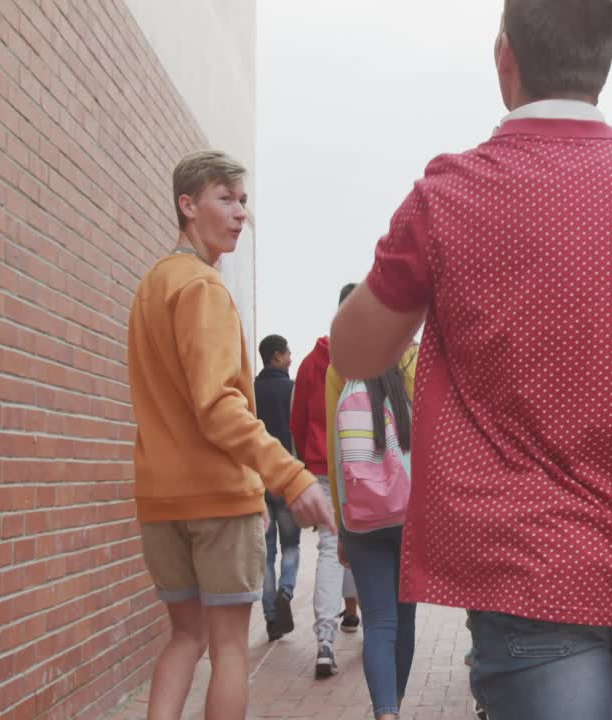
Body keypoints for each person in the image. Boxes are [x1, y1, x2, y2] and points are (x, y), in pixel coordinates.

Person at [328, 1, 612, 717]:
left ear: (506, 57)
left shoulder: (449, 198)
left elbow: (354, 350)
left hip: (523, 575)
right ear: (605, 61)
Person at [126, 149, 335, 720]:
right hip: (217, 499)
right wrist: (290, 476)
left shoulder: (152, 287)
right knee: (227, 649)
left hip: (161, 500)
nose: (241, 212)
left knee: (185, 637)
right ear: (187, 205)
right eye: (226, 198)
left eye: (243, 200)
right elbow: (218, 406)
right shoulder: (203, 288)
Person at [328, 350, 418, 720]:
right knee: (405, 619)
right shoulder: (405, 389)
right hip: (408, 517)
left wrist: (341, 527)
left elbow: (338, 466)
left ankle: (385, 714)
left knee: (379, 622)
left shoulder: (346, 387)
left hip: (361, 524)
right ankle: (395, 704)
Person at [290, 283, 361, 678]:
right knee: (365, 544)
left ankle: (325, 641)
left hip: (321, 466)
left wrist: (309, 459)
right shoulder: (371, 356)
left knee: (332, 550)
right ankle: (371, 628)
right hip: (364, 468)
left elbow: (297, 422)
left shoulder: (310, 363)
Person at [253, 333, 302, 641]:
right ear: (276, 356)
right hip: (286, 479)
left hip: (259, 482)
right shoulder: (292, 390)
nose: (291, 358)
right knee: (292, 545)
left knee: (267, 552)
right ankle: (286, 590)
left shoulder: (251, 391)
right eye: (287, 354)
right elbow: (299, 434)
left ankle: (271, 617)